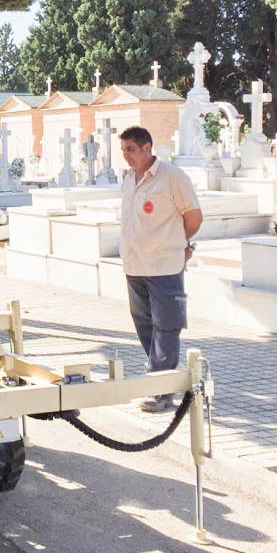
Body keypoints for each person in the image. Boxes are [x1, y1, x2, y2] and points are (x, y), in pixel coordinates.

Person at [119, 125, 204, 412]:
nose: (126, 156)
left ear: (147, 147)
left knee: (166, 327)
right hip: (134, 264)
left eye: (131, 150)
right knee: (144, 325)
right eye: (123, 150)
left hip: (164, 265)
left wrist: (181, 244)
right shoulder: (129, 178)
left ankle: (161, 389)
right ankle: (159, 377)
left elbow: (193, 216)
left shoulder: (172, 177)